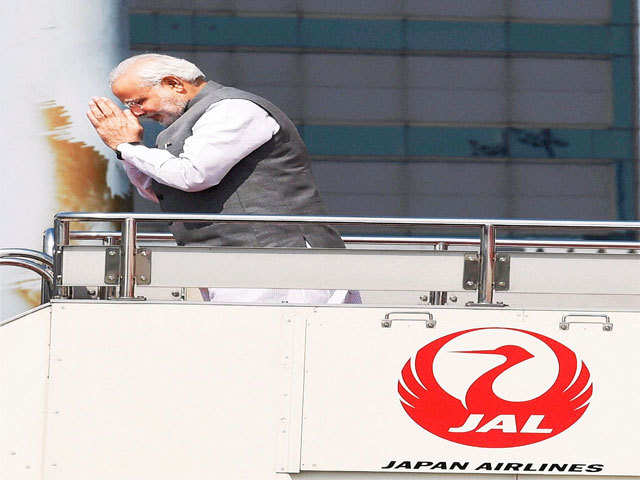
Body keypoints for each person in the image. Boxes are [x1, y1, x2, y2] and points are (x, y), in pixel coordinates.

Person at [87, 53, 360, 304]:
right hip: (235, 264)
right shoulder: (179, 127)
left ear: (174, 84)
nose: (137, 113)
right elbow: (160, 188)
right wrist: (127, 149)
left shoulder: (233, 109)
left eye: (138, 102)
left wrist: (129, 148)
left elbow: (193, 175)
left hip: (274, 260)